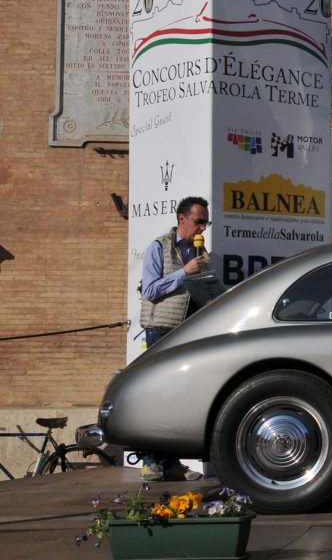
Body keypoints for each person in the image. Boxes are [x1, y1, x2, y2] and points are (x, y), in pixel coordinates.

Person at [137, 196, 211, 482]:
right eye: (198, 222)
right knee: (156, 395)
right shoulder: (159, 247)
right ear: (182, 219)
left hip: (187, 332)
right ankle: (150, 460)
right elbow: (151, 290)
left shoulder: (200, 250)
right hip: (161, 330)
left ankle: (172, 462)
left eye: (205, 222)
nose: (202, 228)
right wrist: (184, 273)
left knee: (178, 398)